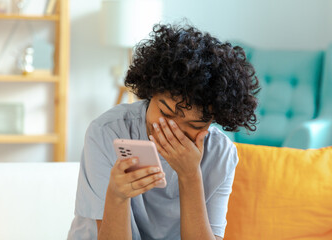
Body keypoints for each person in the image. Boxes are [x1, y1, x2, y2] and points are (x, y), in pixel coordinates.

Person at [68, 23, 260, 240]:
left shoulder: (220, 155)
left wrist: (190, 176)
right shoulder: (107, 132)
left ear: (213, 121)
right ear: (149, 93)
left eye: (194, 126)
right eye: (166, 112)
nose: (173, 130)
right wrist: (117, 196)